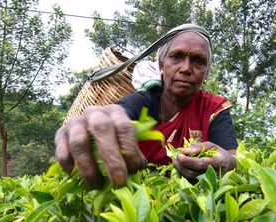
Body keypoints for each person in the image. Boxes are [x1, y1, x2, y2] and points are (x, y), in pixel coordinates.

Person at [55, 24, 237, 189]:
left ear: (206, 74)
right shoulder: (144, 101)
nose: (186, 68)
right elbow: (118, 114)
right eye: (176, 57)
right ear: (161, 66)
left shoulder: (214, 108)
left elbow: (232, 158)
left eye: (198, 61)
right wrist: (93, 124)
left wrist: (228, 163)